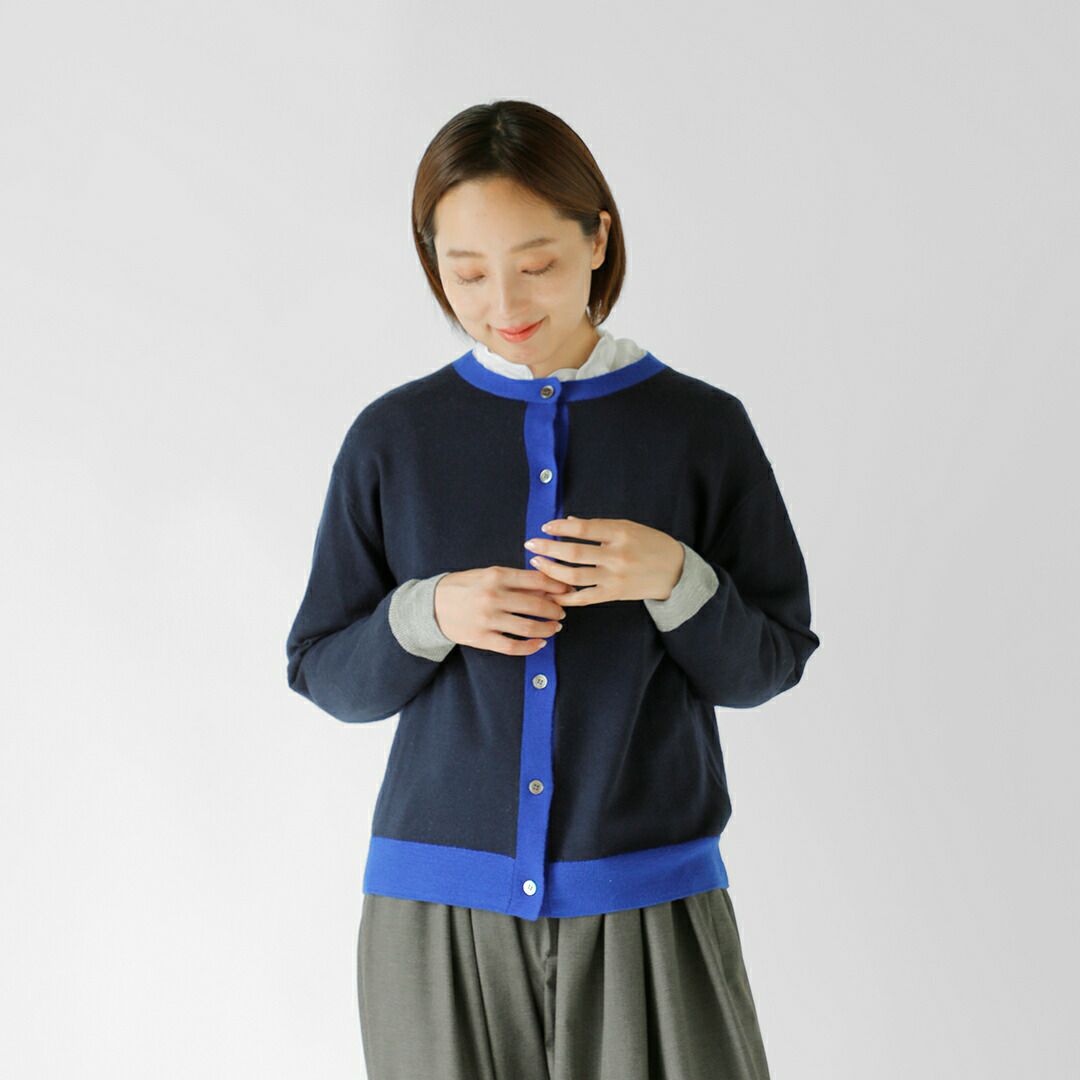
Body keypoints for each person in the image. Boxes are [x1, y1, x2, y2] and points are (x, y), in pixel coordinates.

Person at [285, 99, 820, 1080]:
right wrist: (430, 613)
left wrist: (675, 578)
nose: (504, 301)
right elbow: (325, 672)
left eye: (535, 264)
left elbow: (769, 665)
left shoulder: (700, 429)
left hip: (647, 901)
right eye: (466, 272)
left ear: (597, 239)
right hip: (434, 913)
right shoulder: (394, 438)